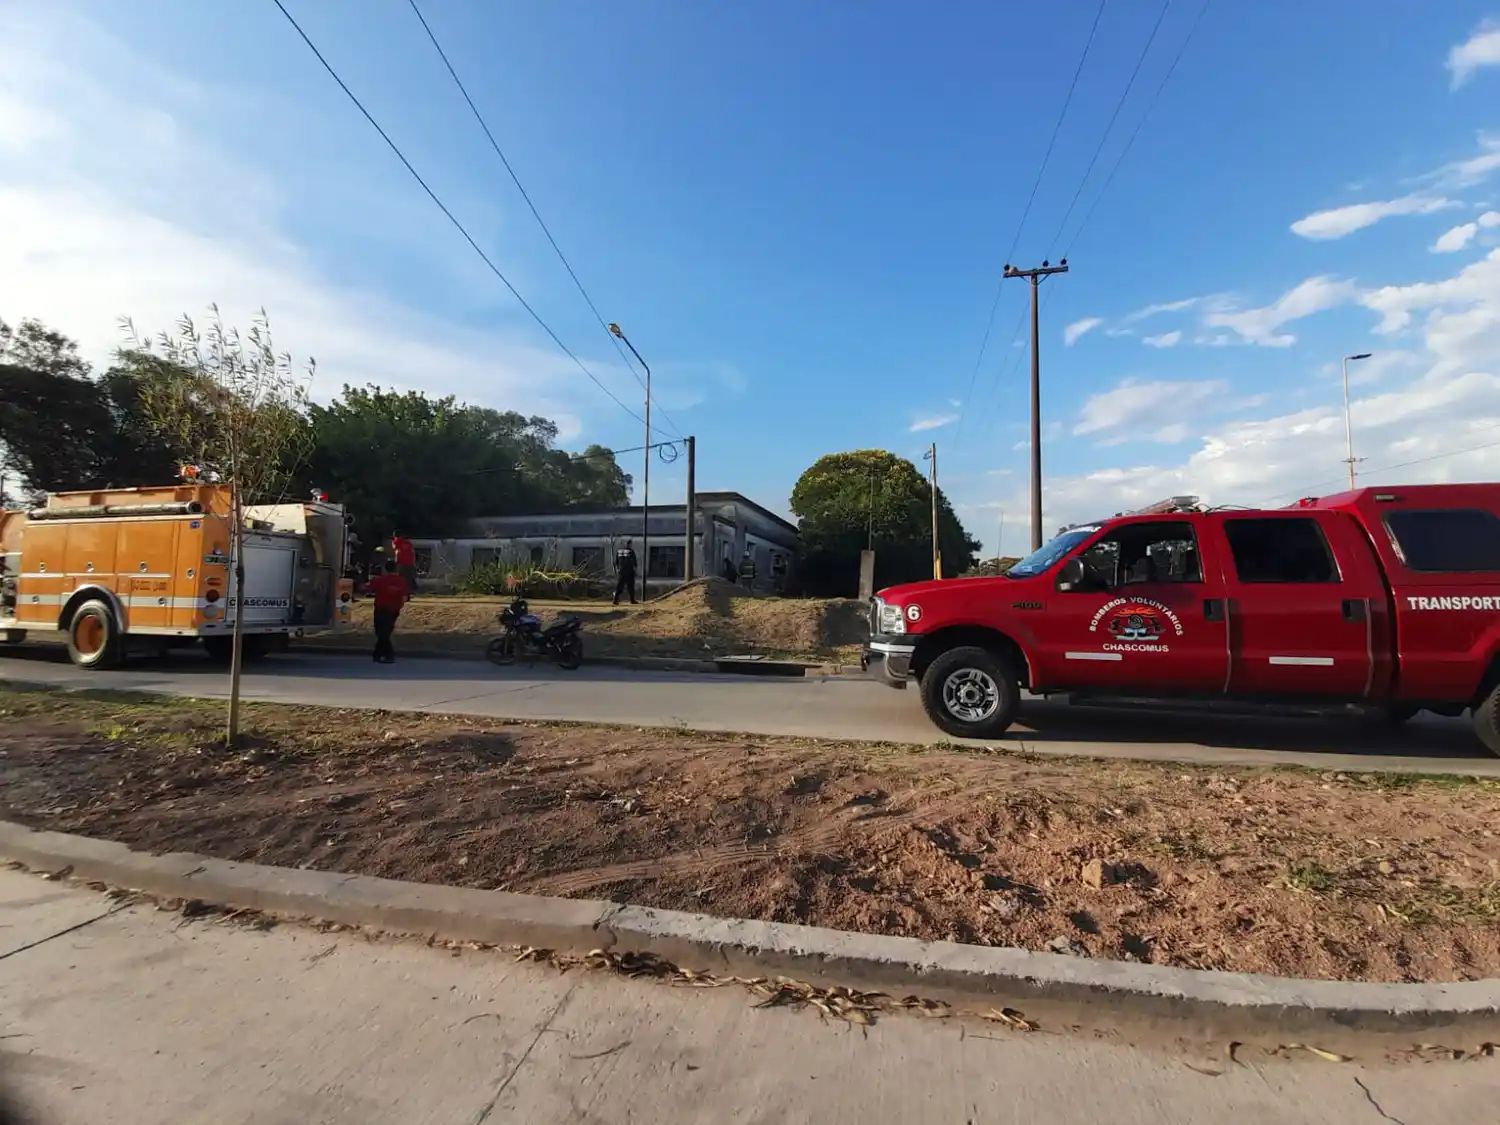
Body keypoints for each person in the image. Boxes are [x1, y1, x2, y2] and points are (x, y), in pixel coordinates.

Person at [366, 559, 409, 664]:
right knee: (385, 633)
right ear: (396, 568)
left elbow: (368, 588)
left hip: (381, 609)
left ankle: (388, 655)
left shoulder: (380, 580)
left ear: (385, 569)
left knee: (381, 633)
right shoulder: (402, 581)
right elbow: (404, 597)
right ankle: (378, 654)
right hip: (394, 610)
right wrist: (400, 606)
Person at [391, 530, 418, 595]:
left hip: (401, 563)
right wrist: (414, 563)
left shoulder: (396, 541)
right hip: (410, 563)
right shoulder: (408, 543)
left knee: (400, 578)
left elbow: (396, 550)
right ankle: (408, 592)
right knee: (409, 579)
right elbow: (412, 553)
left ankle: (401, 592)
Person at [613, 539, 638, 605]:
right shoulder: (631, 551)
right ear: (629, 544)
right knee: (630, 586)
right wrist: (635, 570)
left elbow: (616, 562)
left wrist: (618, 569)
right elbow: (634, 562)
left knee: (619, 586)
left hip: (621, 571)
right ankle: (632, 600)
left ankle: (615, 600)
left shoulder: (619, 551)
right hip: (629, 571)